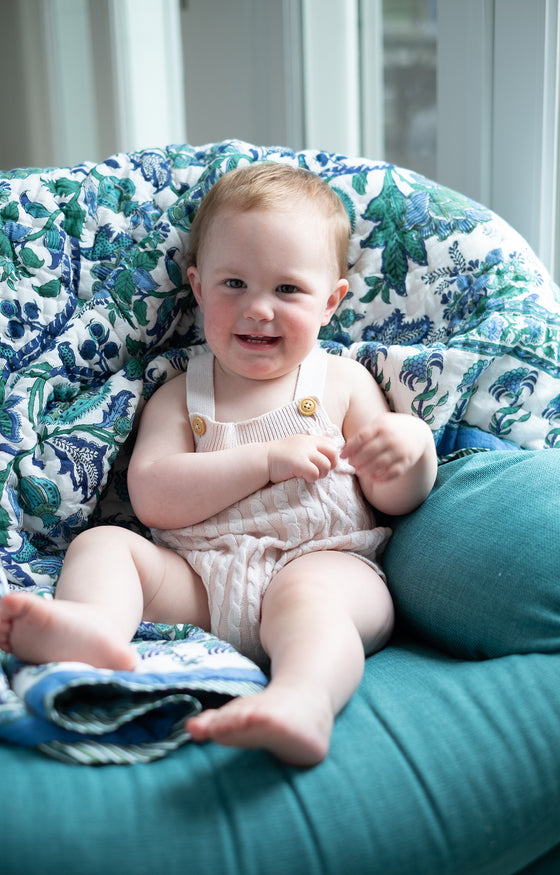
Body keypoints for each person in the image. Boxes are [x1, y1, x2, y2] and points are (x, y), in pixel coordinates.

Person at [0, 163, 437, 766]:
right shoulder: (180, 393)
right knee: (106, 544)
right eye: (235, 284)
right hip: (200, 582)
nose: (259, 309)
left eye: (287, 290)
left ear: (331, 301)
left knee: (314, 601)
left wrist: (411, 449)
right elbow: (152, 496)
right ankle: (94, 627)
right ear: (198, 288)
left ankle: (301, 701)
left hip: (322, 563)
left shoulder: (343, 382)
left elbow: (395, 498)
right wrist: (263, 460)